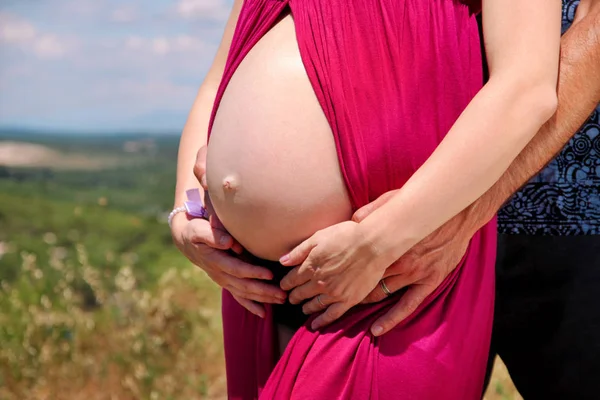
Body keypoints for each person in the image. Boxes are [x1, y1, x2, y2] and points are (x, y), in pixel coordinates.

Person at [170, 0, 561, 398]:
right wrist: (187, 215)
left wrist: (378, 241)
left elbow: (527, 87)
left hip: (385, 273)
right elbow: (219, 76)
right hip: (249, 288)